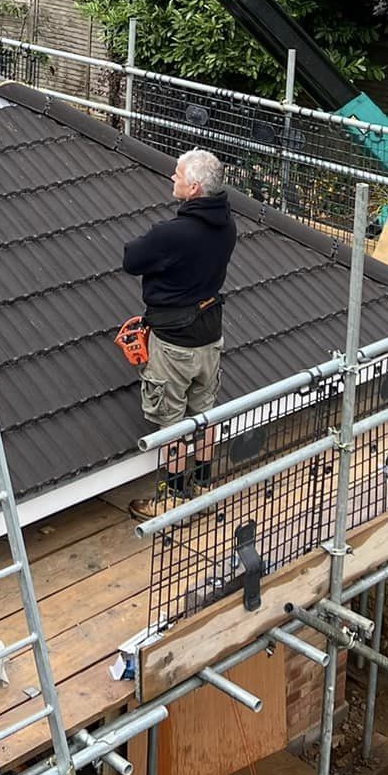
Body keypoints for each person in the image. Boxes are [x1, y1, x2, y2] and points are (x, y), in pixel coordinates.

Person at [123, 148, 237, 513]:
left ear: (194, 188)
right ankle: (203, 490)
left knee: (170, 422)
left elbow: (131, 259)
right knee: (204, 413)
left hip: (174, 343)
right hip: (210, 335)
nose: (172, 178)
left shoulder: (173, 233)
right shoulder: (227, 224)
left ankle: (172, 502)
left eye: (177, 175)